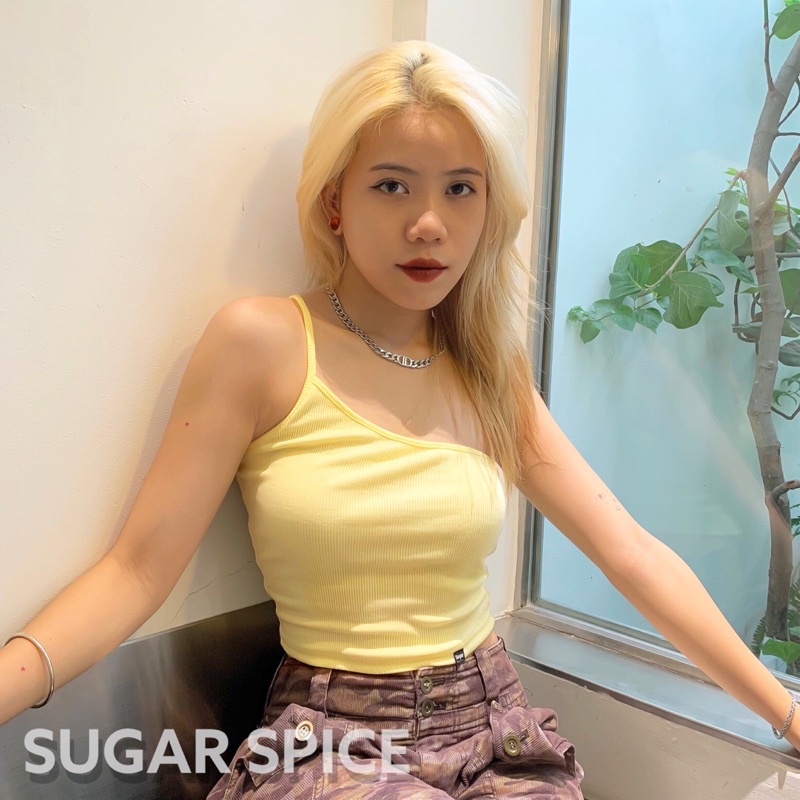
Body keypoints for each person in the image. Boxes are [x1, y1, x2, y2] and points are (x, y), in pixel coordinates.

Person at [1, 38, 798, 799]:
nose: (429, 223)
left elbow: (629, 553)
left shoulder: (488, 367)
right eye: (391, 186)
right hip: (335, 740)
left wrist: (787, 713)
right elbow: (136, 571)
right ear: (334, 202)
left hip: (493, 728)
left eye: (461, 189)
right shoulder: (264, 343)